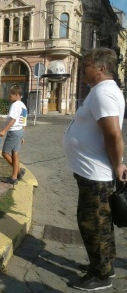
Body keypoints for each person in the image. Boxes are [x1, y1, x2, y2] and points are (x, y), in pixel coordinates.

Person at [63, 47, 127, 291]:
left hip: (96, 173)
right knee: (100, 222)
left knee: (93, 223)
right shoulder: (100, 91)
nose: (82, 71)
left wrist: (117, 164)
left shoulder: (104, 93)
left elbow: (113, 134)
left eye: (86, 66)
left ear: (101, 68)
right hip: (91, 171)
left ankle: (101, 276)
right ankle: (103, 265)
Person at [0, 84, 27, 185]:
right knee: (15, 154)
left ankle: (17, 172)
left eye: (10, 95)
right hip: (20, 131)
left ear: (16, 95)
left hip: (14, 132)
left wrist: (4, 130)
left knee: (5, 153)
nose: (9, 97)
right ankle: (15, 176)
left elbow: (13, 119)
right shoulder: (23, 105)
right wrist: (23, 134)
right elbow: (24, 121)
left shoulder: (15, 105)